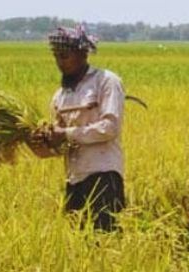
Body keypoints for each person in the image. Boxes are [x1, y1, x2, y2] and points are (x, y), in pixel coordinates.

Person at [27, 25, 126, 232]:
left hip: (103, 175)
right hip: (74, 180)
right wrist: (42, 143)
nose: (60, 63)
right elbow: (60, 145)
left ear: (82, 54)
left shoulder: (106, 81)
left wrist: (66, 134)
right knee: (79, 248)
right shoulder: (60, 96)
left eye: (65, 56)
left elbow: (110, 127)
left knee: (105, 241)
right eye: (56, 57)